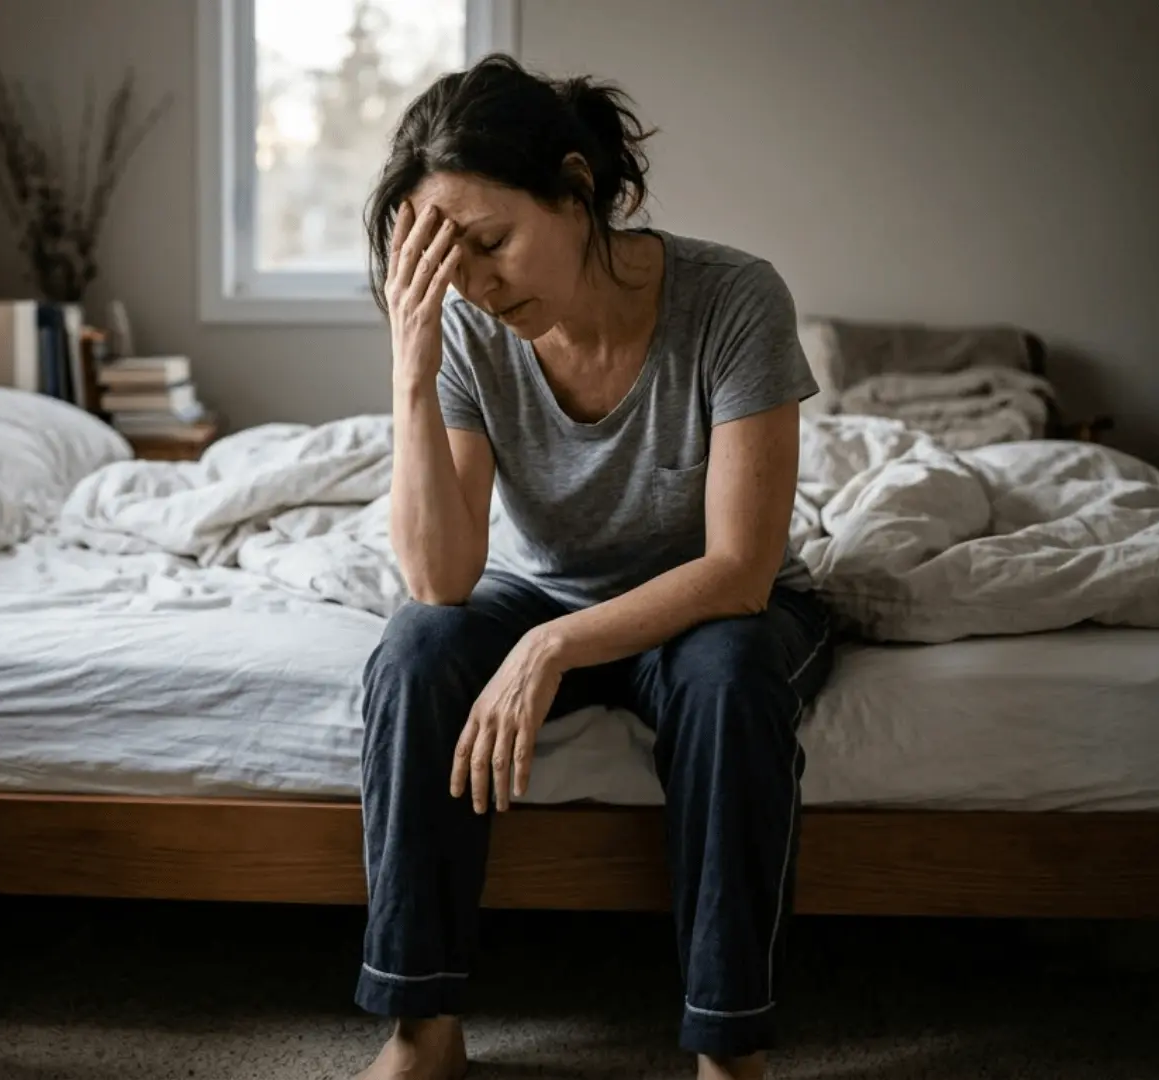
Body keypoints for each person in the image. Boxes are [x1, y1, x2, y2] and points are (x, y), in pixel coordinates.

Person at [353, 54, 835, 1080]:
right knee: (416, 646)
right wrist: (412, 368)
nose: (477, 283)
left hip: (709, 606)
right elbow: (441, 579)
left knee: (730, 679)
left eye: (492, 243)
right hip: (546, 589)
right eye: (451, 262)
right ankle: (421, 1028)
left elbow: (740, 570)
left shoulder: (735, 298)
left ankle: (727, 1043)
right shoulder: (474, 332)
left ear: (577, 191)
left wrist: (551, 647)